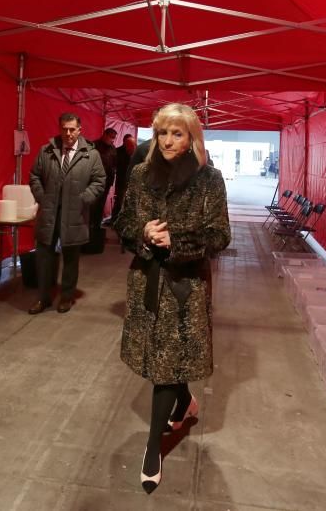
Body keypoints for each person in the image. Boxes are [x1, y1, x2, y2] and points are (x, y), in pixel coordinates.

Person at [113, 103, 231, 494]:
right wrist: (143, 234)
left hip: (186, 287)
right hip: (146, 280)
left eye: (177, 133)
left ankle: (152, 447)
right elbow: (122, 223)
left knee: (166, 364)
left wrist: (177, 240)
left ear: (191, 137)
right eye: (162, 132)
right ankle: (185, 404)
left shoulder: (209, 179)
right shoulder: (141, 173)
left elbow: (219, 236)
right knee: (164, 360)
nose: (167, 140)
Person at [27, 113, 105, 314]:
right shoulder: (46, 151)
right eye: (64, 128)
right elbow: (34, 175)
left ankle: (67, 297)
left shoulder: (90, 154)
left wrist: (84, 198)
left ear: (80, 130)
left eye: (72, 129)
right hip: (49, 214)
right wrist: (42, 197)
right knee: (44, 258)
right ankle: (43, 298)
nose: (68, 133)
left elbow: (99, 181)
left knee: (71, 258)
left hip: (75, 214)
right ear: (60, 128)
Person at [84, 127, 117, 253]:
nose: (112, 140)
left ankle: (97, 232)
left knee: (100, 208)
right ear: (104, 135)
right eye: (110, 137)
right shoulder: (94, 145)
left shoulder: (113, 149)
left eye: (114, 138)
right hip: (93, 183)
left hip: (106, 183)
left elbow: (114, 164)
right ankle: (88, 233)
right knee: (91, 207)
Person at [111, 133, 136, 223]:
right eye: (130, 144)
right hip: (122, 181)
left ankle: (124, 222)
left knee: (129, 202)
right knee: (119, 202)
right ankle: (115, 220)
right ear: (124, 143)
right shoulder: (118, 152)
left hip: (132, 181)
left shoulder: (135, 152)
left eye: (134, 144)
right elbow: (114, 166)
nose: (133, 146)